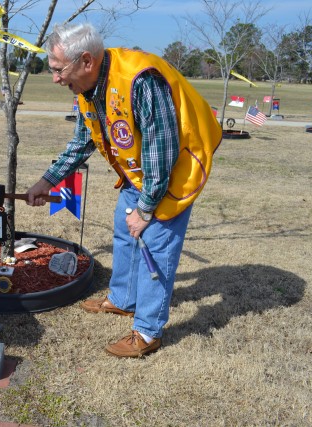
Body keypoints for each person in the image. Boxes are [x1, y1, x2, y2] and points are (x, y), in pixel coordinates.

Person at [26, 23, 221, 357]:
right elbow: (82, 140)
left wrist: (146, 211)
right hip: (138, 173)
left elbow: (162, 153)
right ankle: (122, 299)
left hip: (173, 172)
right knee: (124, 233)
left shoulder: (140, 81)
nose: (55, 79)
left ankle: (148, 331)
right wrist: (48, 180)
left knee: (155, 253)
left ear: (86, 61)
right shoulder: (89, 88)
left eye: (58, 70)